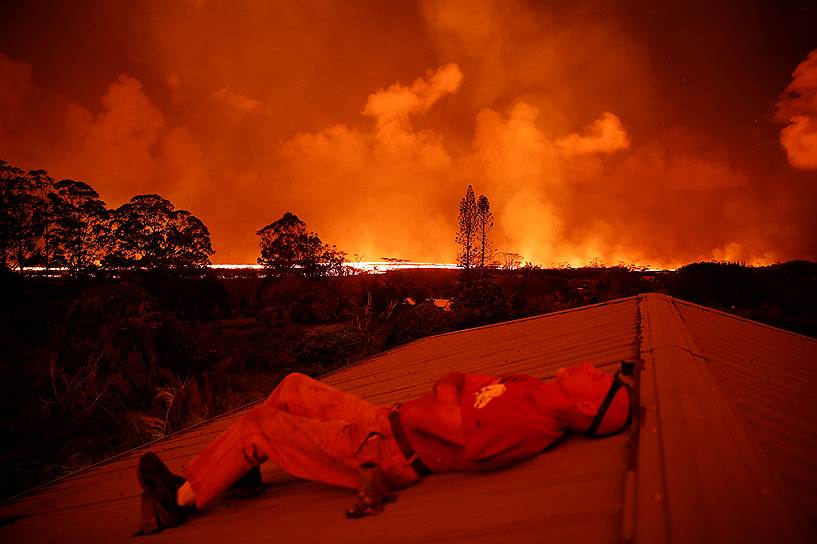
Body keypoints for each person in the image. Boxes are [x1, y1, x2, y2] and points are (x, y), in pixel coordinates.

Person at [135, 361, 632, 535]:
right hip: (384, 420)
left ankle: (178, 501)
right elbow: (454, 381)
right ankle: (241, 471)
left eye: (598, 377)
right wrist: (448, 395)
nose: (590, 367)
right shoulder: (528, 386)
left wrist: (446, 398)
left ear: (587, 409)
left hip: (385, 451)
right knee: (290, 388)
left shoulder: (527, 423)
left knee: (260, 424)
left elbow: (431, 414)